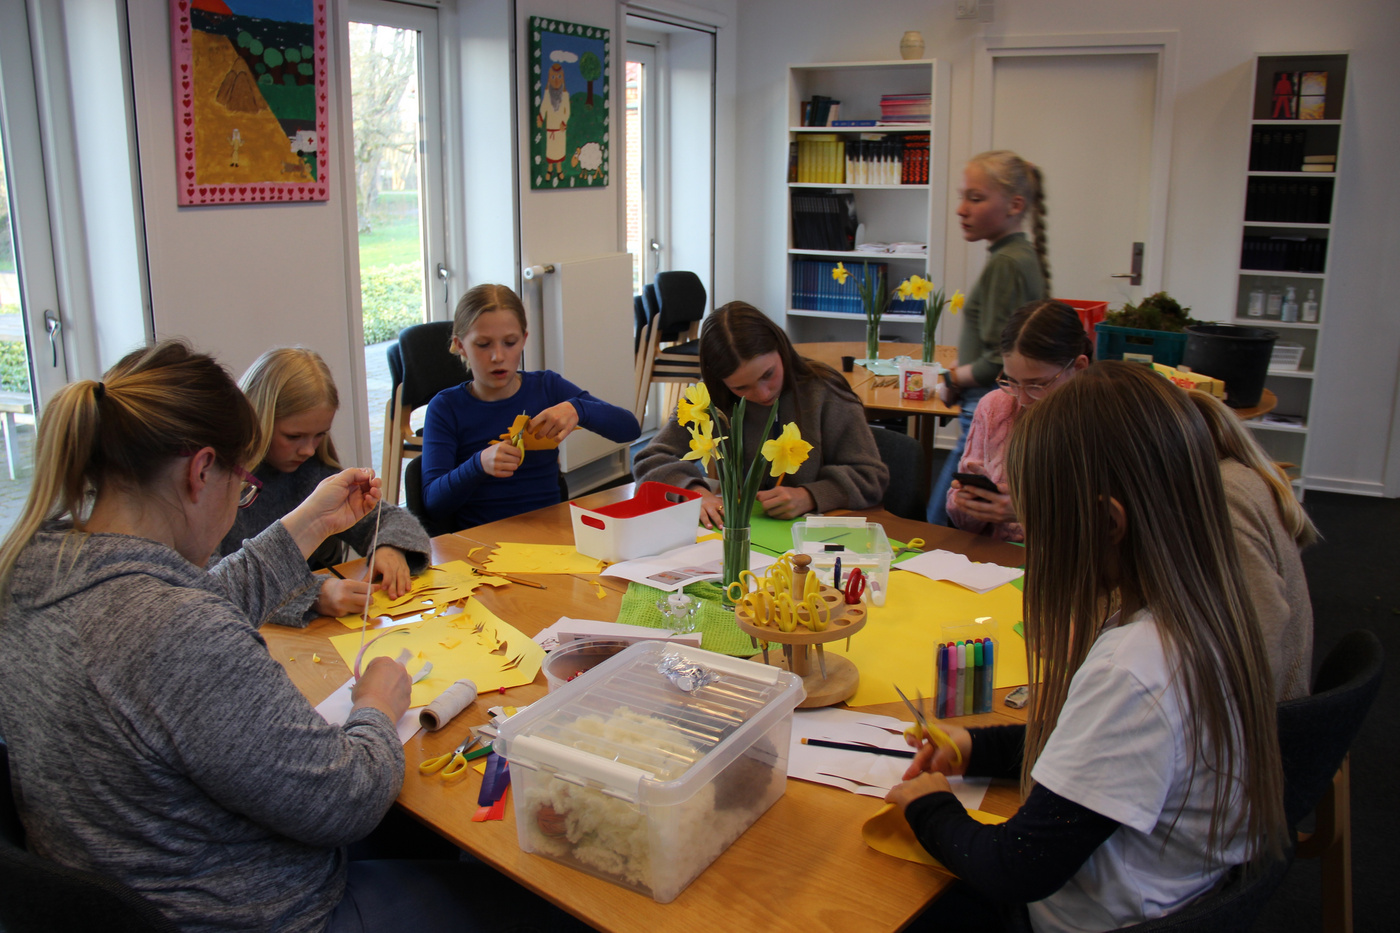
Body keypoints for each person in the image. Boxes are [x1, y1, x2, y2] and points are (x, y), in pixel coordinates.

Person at [0, 341, 577, 932]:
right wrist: (377, 706)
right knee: (551, 899)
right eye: (242, 488)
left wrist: (309, 524)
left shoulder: (34, 572)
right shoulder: (177, 633)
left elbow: (189, 607)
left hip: (137, 887)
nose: (242, 500)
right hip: (263, 913)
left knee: (422, 833)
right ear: (201, 472)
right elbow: (347, 801)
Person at [888, 362, 1287, 932]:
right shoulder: (1205, 614)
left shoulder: (1135, 671)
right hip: (1169, 893)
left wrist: (927, 806)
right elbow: (1097, 753)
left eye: (1037, 520)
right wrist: (980, 746)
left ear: (1105, 522)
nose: (1032, 537)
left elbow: (1016, 868)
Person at [219, 346, 431, 625]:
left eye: (319, 435)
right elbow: (212, 587)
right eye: (293, 436)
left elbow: (392, 520)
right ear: (257, 419)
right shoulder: (218, 487)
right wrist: (314, 594)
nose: (308, 449)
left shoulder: (314, 473)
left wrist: (389, 546)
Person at [633, 301, 888, 528]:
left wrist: (811, 495)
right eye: (741, 388)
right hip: (738, 532)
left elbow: (871, 477)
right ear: (720, 382)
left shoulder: (825, 393)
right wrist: (693, 491)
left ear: (781, 349)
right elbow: (650, 458)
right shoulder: (707, 399)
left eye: (768, 374)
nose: (763, 393)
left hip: (813, 537)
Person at [421, 283, 641, 529]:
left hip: (550, 533)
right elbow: (433, 504)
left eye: (510, 342)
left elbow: (630, 429)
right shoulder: (446, 408)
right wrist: (478, 464)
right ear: (461, 345)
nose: (498, 356)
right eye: (483, 344)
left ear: (524, 339)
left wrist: (579, 409)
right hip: (483, 539)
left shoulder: (547, 387)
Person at [928, 150, 1049, 526]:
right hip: (982, 405)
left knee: (942, 521)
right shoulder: (1014, 256)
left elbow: (1000, 359)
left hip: (985, 411)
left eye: (976, 198)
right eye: (962, 197)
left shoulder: (1007, 263)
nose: (961, 209)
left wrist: (952, 378)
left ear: (1015, 205)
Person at [1189, 388, 1320, 700]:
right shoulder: (1238, 474)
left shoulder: (1226, 501)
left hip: (1260, 714)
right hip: (1249, 700)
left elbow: (1260, 649)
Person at [945, 300, 1091, 542]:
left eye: (1038, 385)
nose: (1022, 399)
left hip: (1064, 561)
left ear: (1079, 368)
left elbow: (1110, 528)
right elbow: (960, 521)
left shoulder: (1100, 423)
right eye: (1012, 381)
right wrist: (970, 503)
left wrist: (1031, 512)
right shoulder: (995, 407)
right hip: (994, 559)